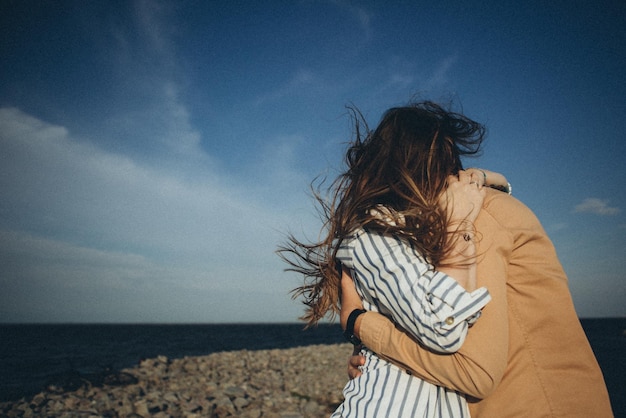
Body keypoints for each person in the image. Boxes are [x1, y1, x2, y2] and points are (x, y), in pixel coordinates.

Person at [279, 101, 512, 417]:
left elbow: (504, 187)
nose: (450, 177)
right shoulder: (373, 232)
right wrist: (460, 227)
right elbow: (445, 331)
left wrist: (476, 177)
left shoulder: (420, 230)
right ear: (408, 167)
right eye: (441, 165)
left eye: (453, 166)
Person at [340, 178, 614, 416]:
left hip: (537, 408)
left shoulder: (475, 218)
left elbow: (473, 371)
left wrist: (360, 323)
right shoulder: (477, 206)